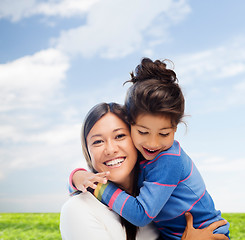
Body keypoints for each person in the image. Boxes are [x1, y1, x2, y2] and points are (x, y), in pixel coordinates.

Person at [70, 58, 230, 239]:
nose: (153, 144)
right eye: (143, 132)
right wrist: (79, 177)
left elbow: (141, 215)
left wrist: (97, 187)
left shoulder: (169, 160)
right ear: (131, 124)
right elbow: (80, 185)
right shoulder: (142, 155)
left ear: (175, 129)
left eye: (164, 134)